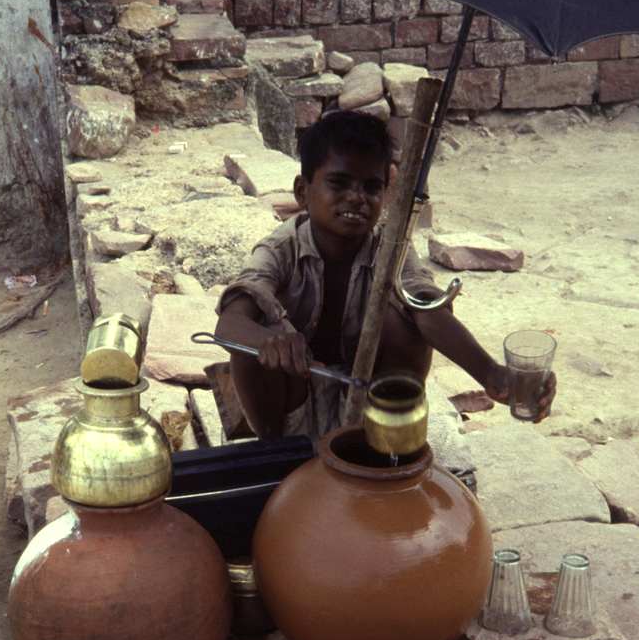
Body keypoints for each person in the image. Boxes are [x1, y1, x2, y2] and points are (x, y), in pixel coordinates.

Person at [214, 110, 555, 442]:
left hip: (368, 402)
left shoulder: (391, 247)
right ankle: (274, 453)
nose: (357, 197)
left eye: (372, 186)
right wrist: (269, 343)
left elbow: (428, 310)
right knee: (257, 336)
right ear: (303, 191)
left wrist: (491, 373)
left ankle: (381, 442)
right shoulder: (280, 247)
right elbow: (229, 323)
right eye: (339, 182)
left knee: (404, 319)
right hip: (292, 403)